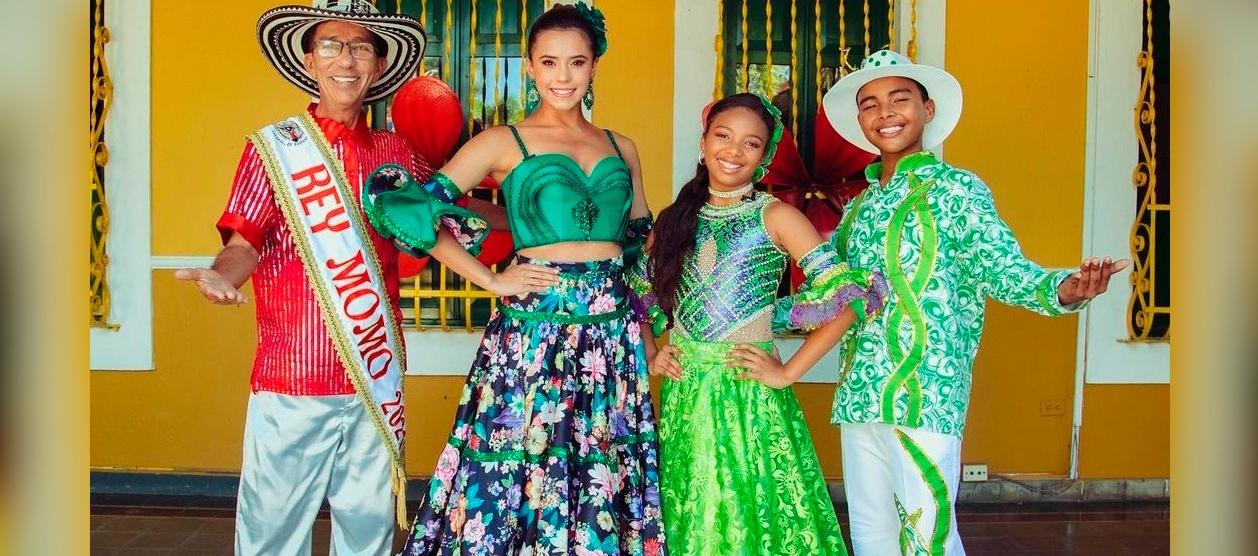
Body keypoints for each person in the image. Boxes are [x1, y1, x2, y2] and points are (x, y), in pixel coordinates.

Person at [361, 3, 664, 554]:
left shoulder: (624, 147)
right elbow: (409, 209)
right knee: (523, 463)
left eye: (576, 61)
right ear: (529, 67)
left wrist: (647, 334)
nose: (563, 76)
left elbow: (639, 248)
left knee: (604, 465)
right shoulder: (504, 141)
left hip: (612, 337)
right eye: (549, 62)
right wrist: (490, 279)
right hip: (534, 331)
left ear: (595, 65)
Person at [819, 49, 1129, 555]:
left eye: (900, 100)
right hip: (860, 392)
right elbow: (828, 290)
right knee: (873, 535)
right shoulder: (858, 207)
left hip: (928, 391)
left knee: (929, 535)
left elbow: (1002, 267)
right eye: (871, 104)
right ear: (861, 121)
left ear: (928, 110)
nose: (886, 113)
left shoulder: (957, 190)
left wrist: (1062, 290)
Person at [173, 1, 433, 553]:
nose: (347, 58)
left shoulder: (399, 154)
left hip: (373, 380)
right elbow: (244, 242)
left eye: (361, 46)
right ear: (310, 59)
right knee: (272, 533)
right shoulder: (272, 149)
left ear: (379, 65)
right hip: (291, 377)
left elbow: (441, 226)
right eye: (332, 46)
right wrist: (225, 277)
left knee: (369, 532)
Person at [633, 92, 885, 555]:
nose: (733, 151)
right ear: (705, 141)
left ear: (765, 156)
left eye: (751, 143)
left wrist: (788, 371)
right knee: (694, 508)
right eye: (723, 136)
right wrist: (652, 351)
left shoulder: (776, 216)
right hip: (685, 393)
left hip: (749, 393)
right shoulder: (674, 220)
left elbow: (852, 298)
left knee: (755, 509)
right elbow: (639, 291)